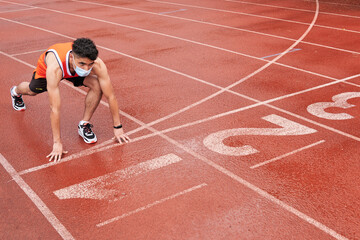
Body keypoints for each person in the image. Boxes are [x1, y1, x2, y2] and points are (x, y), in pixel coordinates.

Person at [10, 38, 130, 162]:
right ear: (72, 57)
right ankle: (15, 92)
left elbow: (111, 96)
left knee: (98, 86)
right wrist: (57, 143)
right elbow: (54, 108)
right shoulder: (54, 68)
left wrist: (118, 127)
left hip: (72, 70)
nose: (86, 69)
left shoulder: (97, 64)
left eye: (90, 64)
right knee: (32, 90)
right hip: (52, 69)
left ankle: (84, 124)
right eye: (82, 64)